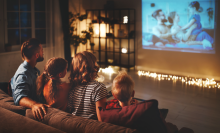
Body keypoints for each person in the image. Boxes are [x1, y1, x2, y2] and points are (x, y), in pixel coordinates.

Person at [10, 38, 50, 121]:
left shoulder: (32, 69)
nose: (43, 52)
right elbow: (20, 97)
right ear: (37, 55)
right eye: (42, 50)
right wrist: (34, 104)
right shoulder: (23, 74)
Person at [67, 51, 108, 121]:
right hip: (91, 127)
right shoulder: (99, 88)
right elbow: (101, 119)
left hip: (74, 125)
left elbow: (70, 110)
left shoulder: (72, 87)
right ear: (92, 66)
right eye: (95, 62)